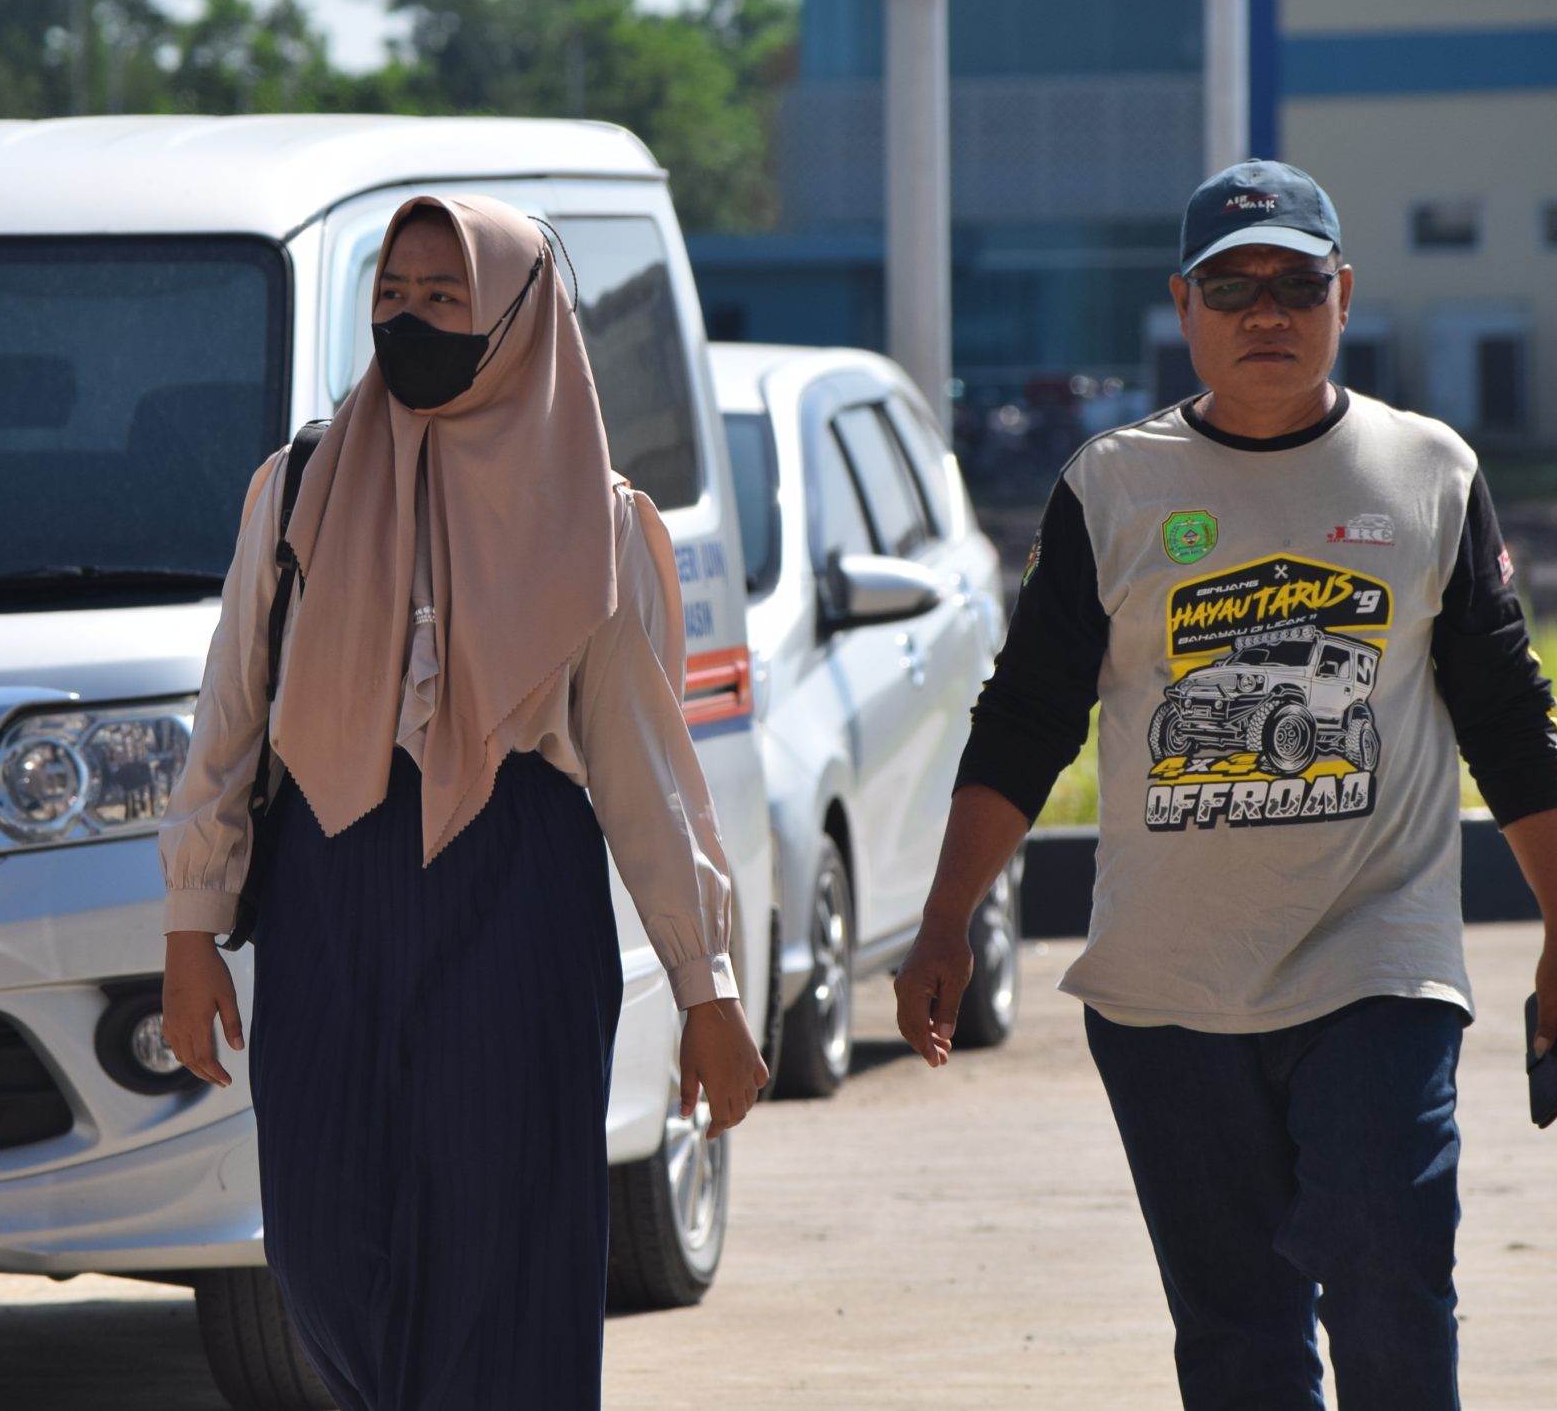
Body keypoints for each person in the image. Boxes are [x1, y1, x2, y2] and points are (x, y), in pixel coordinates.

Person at [895, 160, 1557, 1410]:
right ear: (1183, 305)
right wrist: (943, 922)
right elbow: (1028, 718)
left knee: (1389, 1263)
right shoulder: (1114, 487)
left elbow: (1509, 721)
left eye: (1295, 282)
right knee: (1238, 1336)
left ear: (1342, 293)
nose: (1266, 310)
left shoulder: (1429, 472)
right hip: (1166, 989)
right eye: (1232, 284)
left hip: (1378, 959)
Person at [157, 195, 768, 1411]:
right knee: (326, 1251)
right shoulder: (296, 490)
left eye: (445, 299)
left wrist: (709, 992)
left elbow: (648, 779)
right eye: (392, 297)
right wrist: (189, 927)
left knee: (505, 1261)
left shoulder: (594, 523)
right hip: (330, 895)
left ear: (518, 320)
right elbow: (228, 720)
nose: (411, 321)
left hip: (516, 905)